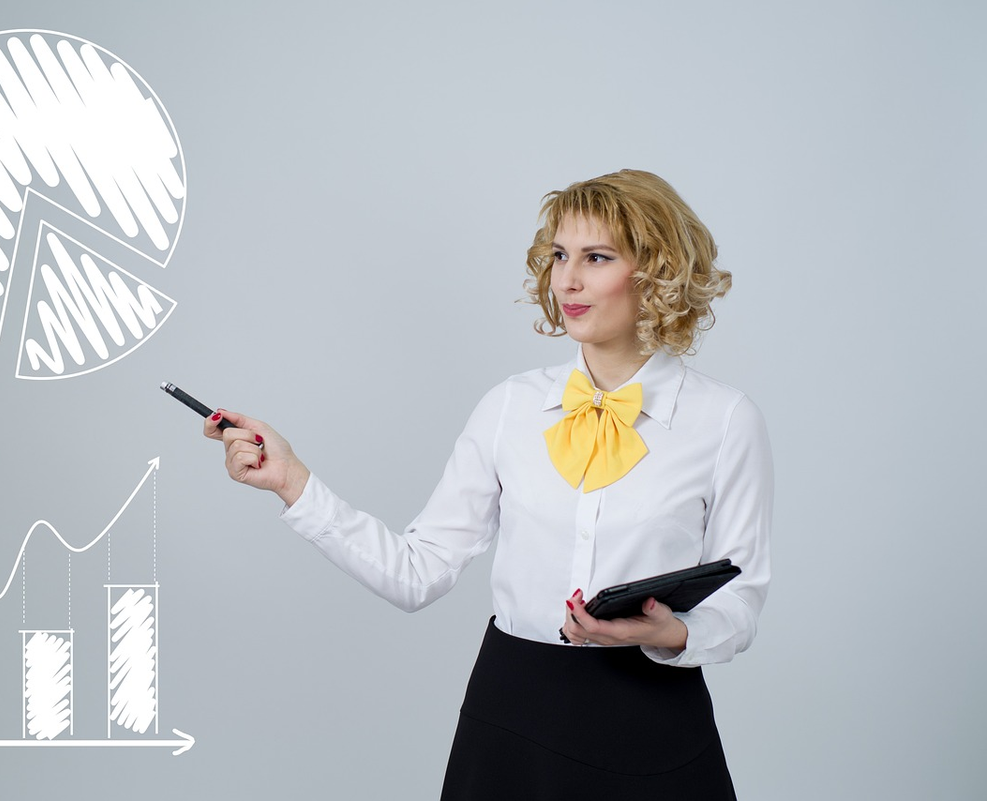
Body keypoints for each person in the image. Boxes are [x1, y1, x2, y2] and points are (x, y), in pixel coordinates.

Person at [203, 169, 772, 799]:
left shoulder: (724, 420)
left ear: (657, 272)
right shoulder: (510, 407)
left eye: (597, 257)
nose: (568, 279)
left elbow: (740, 598)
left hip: (653, 719)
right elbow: (418, 573)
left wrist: (673, 633)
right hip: (514, 714)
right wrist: (293, 482)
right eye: (559, 256)